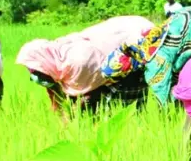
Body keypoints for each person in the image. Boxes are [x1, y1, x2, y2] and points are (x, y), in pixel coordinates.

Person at [17, 16, 154, 114]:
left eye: (35, 73)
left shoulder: (76, 61)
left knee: (125, 113)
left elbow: (88, 95)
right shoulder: (55, 64)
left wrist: (72, 116)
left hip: (136, 44)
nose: (35, 76)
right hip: (119, 58)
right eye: (32, 74)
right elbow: (57, 98)